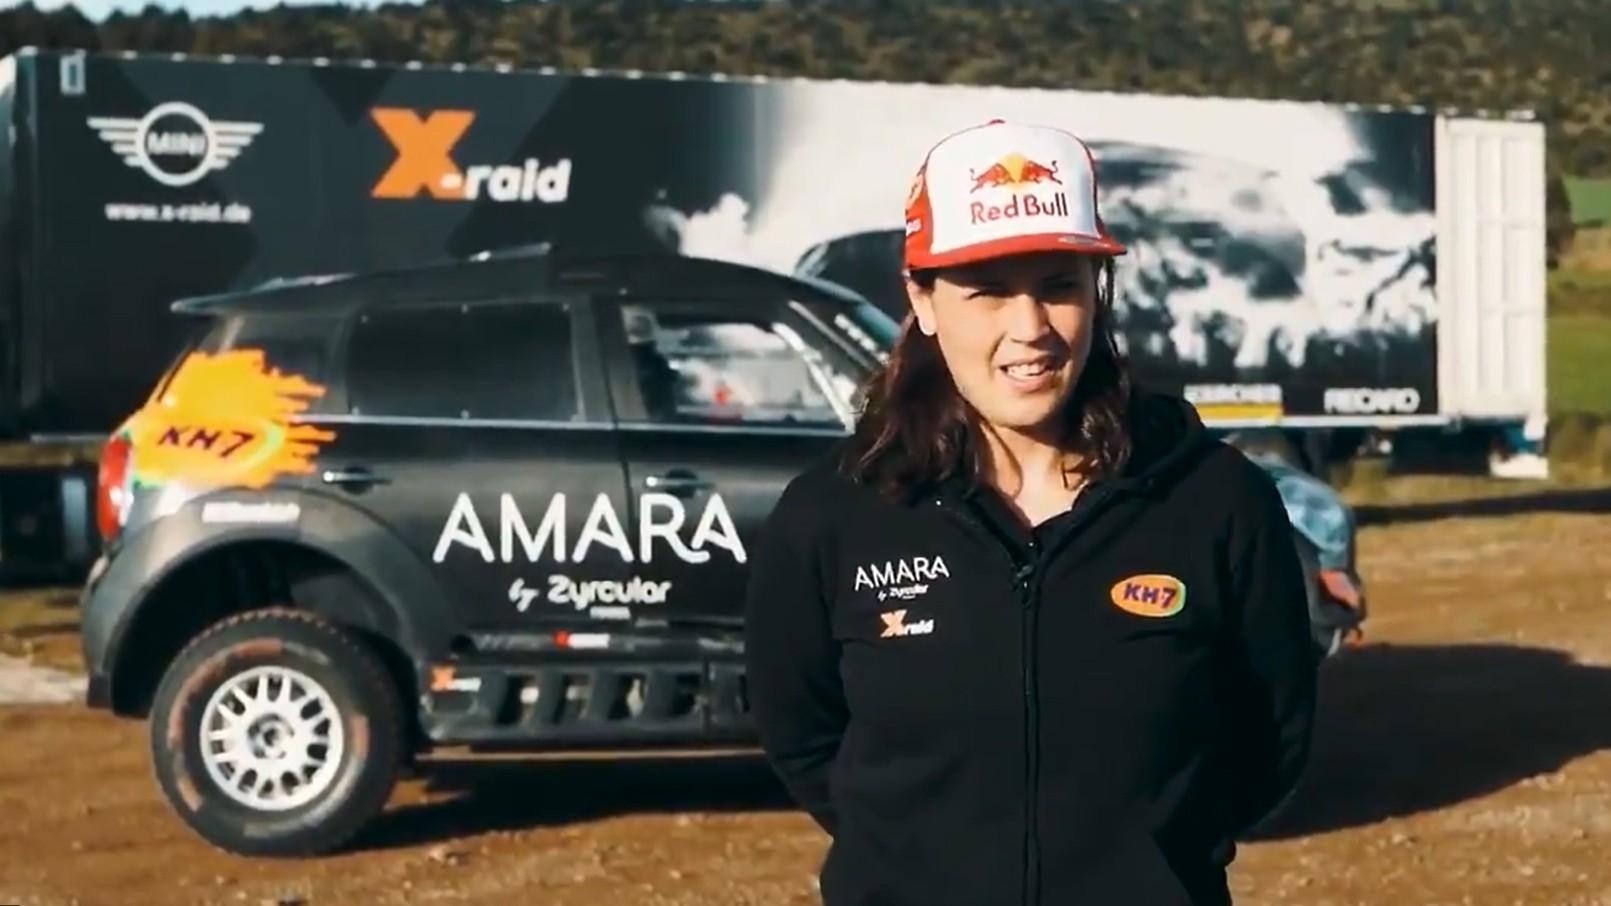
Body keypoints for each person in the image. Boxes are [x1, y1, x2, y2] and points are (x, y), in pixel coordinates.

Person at [742, 118, 1321, 906]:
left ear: (1096, 291)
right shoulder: (835, 514)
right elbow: (802, 735)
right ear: (922, 300)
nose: (1031, 329)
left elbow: (1268, 738)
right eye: (987, 292)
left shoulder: (1214, 500)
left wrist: (1150, 864)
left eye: (1057, 286)